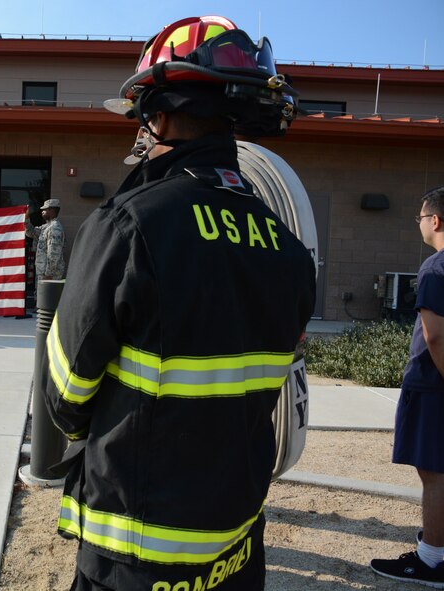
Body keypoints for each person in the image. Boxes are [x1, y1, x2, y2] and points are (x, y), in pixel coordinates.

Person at [41, 16, 315, 590]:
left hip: (135, 546)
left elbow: (66, 392)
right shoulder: (286, 247)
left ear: (157, 114)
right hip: (236, 541)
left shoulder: (128, 224)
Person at [371, 186, 444, 588]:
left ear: (435, 220)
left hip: (432, 387)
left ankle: (432, 560)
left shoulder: (435, 268)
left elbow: (435, 337)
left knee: (433, 473)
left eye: (419, 217)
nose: (418, 223)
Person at [24, 198, 66, 281]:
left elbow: (54, 254)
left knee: (48, 294)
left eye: (44, 209)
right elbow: (31, 232)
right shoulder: (46, 227)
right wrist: (27, 218)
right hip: (43, 274)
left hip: (49, 276)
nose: (42, 211)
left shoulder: (54, 228)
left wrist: (49, 274)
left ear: (52, 211)